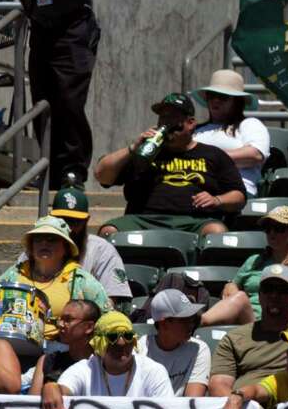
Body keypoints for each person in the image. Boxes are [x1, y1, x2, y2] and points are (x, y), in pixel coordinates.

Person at [0, 0, 99, 187]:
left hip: (71, 29)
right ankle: (48, 168)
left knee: (69, 101)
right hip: (43, 29)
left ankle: (73, 170)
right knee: (43, 102)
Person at [94, 92, 246, 236]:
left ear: (190, 123)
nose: (166, 123)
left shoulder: (213, 154)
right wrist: (133, 148)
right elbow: (102, 175)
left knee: (216, 231)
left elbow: (239, 196)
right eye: (163, 118)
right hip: (144, 220)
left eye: (173, 118)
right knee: (109, 231)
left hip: (194, 222)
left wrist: (217, 200)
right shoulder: (145, 152)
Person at [201, 206, 288, 327]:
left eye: (279, 228)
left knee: (240, 299)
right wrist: (231, 285)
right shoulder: (254, 260)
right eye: (268, 229)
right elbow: (233, 288)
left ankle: (196, 322)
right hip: (250, 323)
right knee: (239, 298)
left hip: (285, 322)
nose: (272, 233)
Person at [0, 216, 111, 340]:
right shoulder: (14, 274)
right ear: (31, 246)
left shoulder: (82, 281)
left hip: (62, 351)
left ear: (66, 248)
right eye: (38, 239)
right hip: (11, 342)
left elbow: (107, 320)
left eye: (52, 239)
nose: (44, 244)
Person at [42, 311, 173, 409]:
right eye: (112, 337)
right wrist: (51, 387)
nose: (121, 343)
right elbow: (63, 389)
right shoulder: (85, 369)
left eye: (127, 336)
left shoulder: (153, 371)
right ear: (98, 344)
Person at [208, 264, 288, 396]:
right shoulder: (235, 338)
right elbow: (219, 384)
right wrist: (235, 405)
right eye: (268, 289)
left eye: (282, 290)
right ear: (260, 295)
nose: (274, 295)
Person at [44, 187, 131, 305]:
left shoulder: (101, 249)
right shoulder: (39, 246)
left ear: (86, 221)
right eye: (62, 221)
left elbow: (112, 300)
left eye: (74, 222)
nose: (68, 228)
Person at [192, 69, 271, 197]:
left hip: (235, 192)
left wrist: (207, 159)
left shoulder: (249, 124)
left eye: (223, 97)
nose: (215, 100)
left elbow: (255, 155)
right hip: (194, 190)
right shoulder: (196, 130)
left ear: (237, 101)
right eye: (211, 95)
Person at [138, 289, 211, 397]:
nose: (191, 324)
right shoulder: (140, 349)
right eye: (184, 320)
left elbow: (192, 401)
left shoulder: (199, 348)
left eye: (191, 318)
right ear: (164, 324)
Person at [24, 299, 101, 394]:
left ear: (89, 327)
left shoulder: (103, 365)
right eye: (60, 319)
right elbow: (32, 404)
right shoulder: (47, 361)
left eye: (68, 320)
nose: (60, 325)